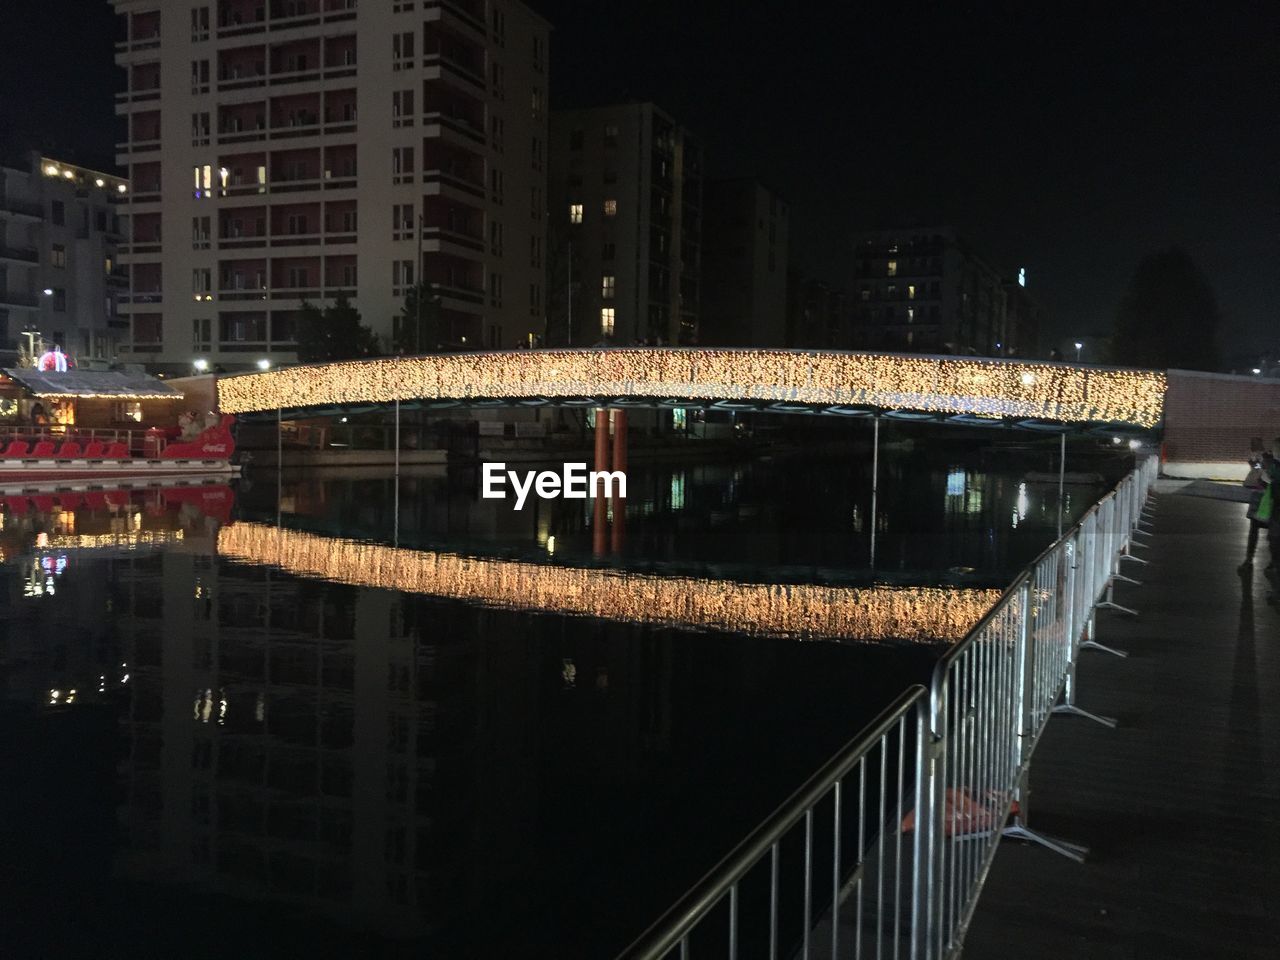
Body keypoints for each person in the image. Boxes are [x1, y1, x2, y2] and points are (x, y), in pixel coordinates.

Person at [1241, 450, 1273, 570]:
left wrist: (1256, 468)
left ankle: (1249, 560)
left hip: (1264, 502)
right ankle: (1272, 562)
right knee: (1271, 534)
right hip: (1264, 503)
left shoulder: (1268, 463)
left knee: (1256, 532)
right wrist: (1254, 466)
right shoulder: (1265, 462)